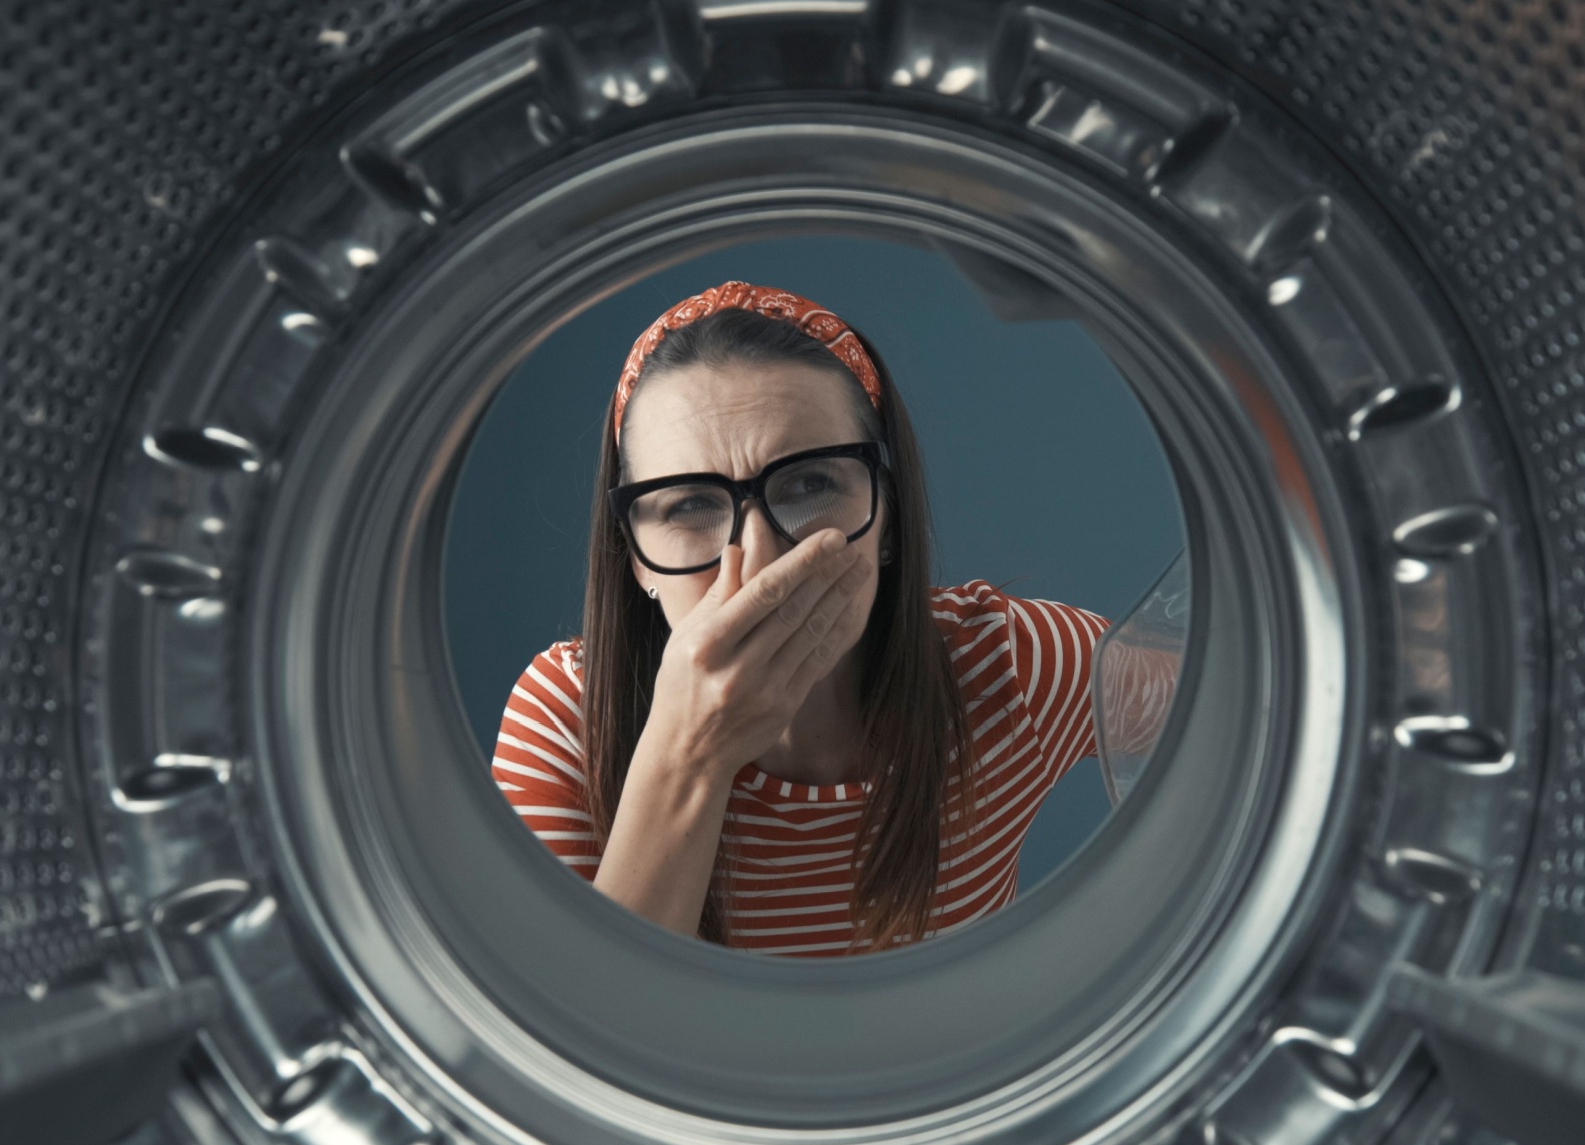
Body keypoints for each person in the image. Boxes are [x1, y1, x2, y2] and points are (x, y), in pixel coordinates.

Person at [493, 281, 1177, 956]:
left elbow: (1254, 715)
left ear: (887, 517)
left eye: (809, 485)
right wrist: (689, 753)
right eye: (690, 506)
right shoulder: (564, 719)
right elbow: (565, 1049)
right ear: (635, 560)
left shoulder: (1010, 667)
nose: (759, 561)